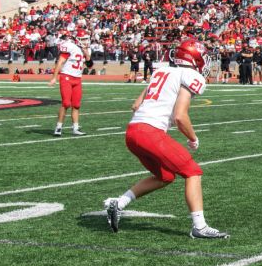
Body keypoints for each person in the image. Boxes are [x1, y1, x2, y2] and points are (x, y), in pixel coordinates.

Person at [102, 39, 228, 239]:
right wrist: (193, 138)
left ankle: (118, 203)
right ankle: (199, 226)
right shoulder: (191, 75)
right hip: (150, 133)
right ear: (194, 57)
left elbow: (136, 105)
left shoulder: (160, 71)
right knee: (193, 172)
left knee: (166, 176)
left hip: (133, 132)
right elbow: (180, 116)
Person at [48, 30, 90, 136]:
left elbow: (90, 65)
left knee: (76, 105)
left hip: (77, 79)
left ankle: (75, 128)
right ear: (78, 39)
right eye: (84, 39)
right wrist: (54, 77)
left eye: (86, 39)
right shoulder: (70, 46)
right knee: (66, 103)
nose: (86, 41)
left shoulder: (85, 49)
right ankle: (58, 127)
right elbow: (60, 62)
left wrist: (86, 52)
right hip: (66, 77)